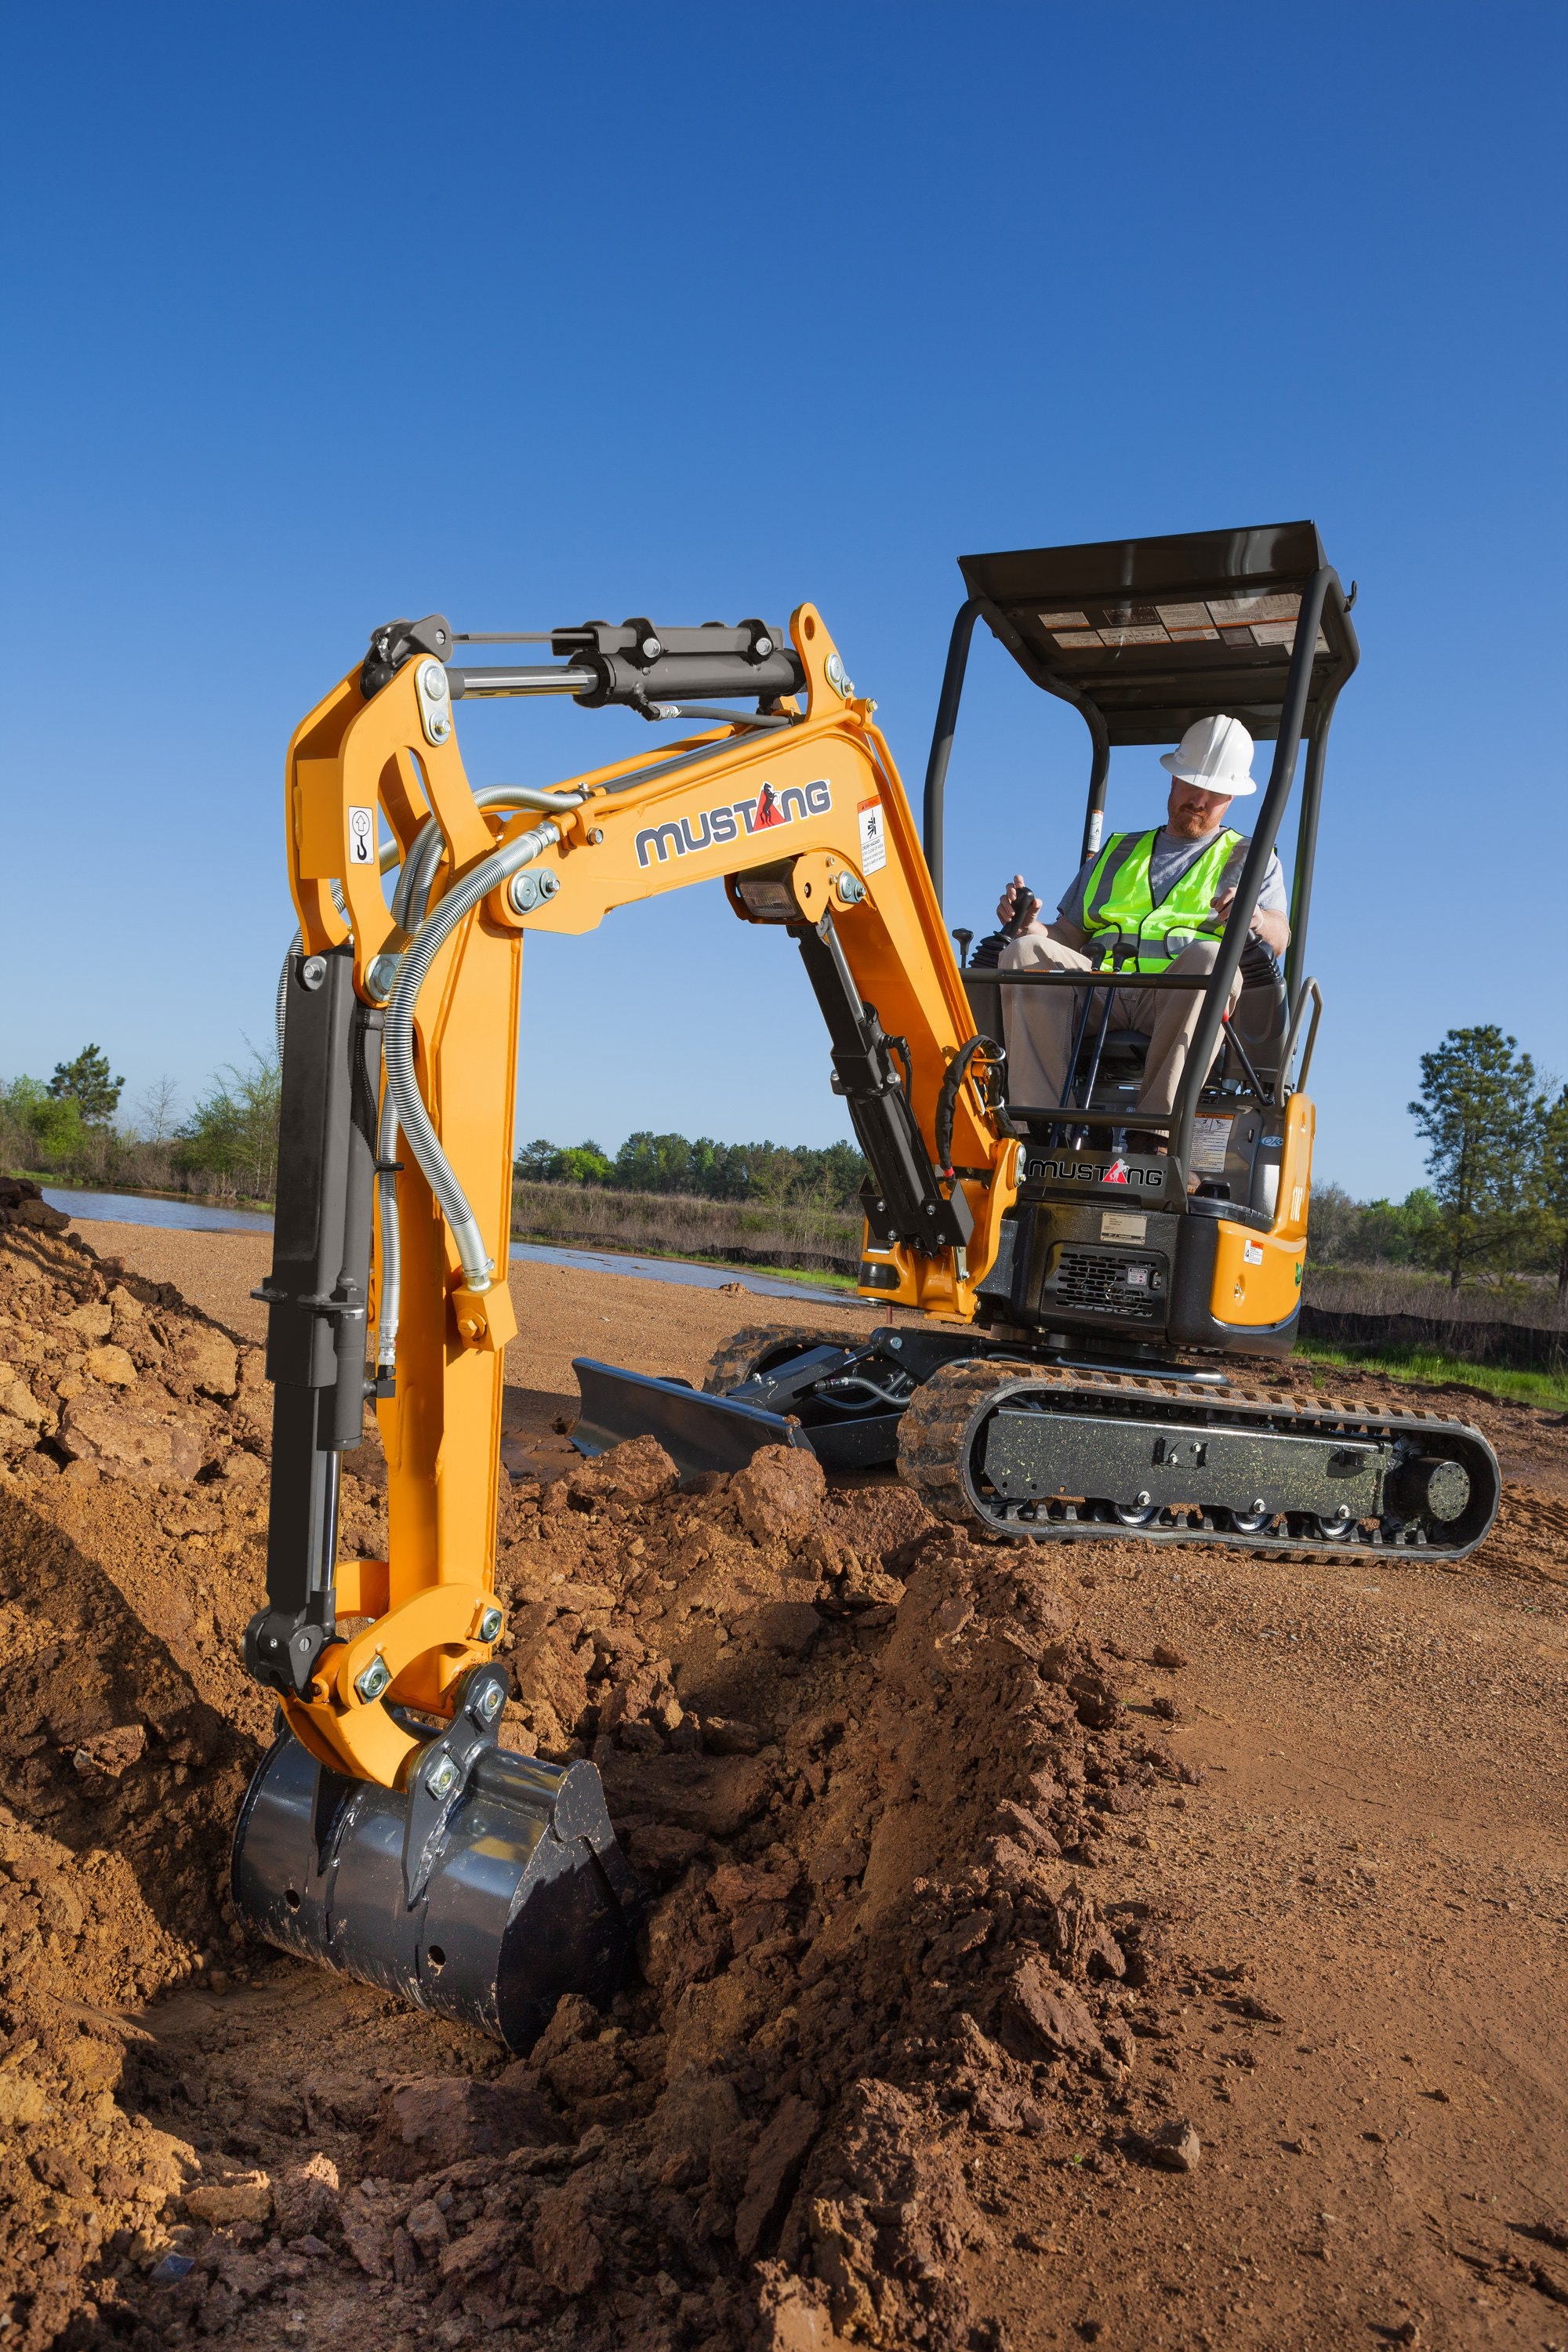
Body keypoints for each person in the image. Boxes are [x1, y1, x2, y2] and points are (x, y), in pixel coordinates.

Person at [997, 713, 1290, 1134]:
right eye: (1192, 784)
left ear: (1231, 798)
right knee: (1023, 953)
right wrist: (1030, 926)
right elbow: (1067, 936)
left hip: (1177, 1000)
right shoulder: (1117, 852)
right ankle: (1041, 1125)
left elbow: (1279, 936)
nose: (1200, 800)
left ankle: (1154, 1132)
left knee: (1213, 958)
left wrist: (1256, 917)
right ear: (1173, 779)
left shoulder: (1251, 858)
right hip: (1099, 990)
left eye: (1214, 793)